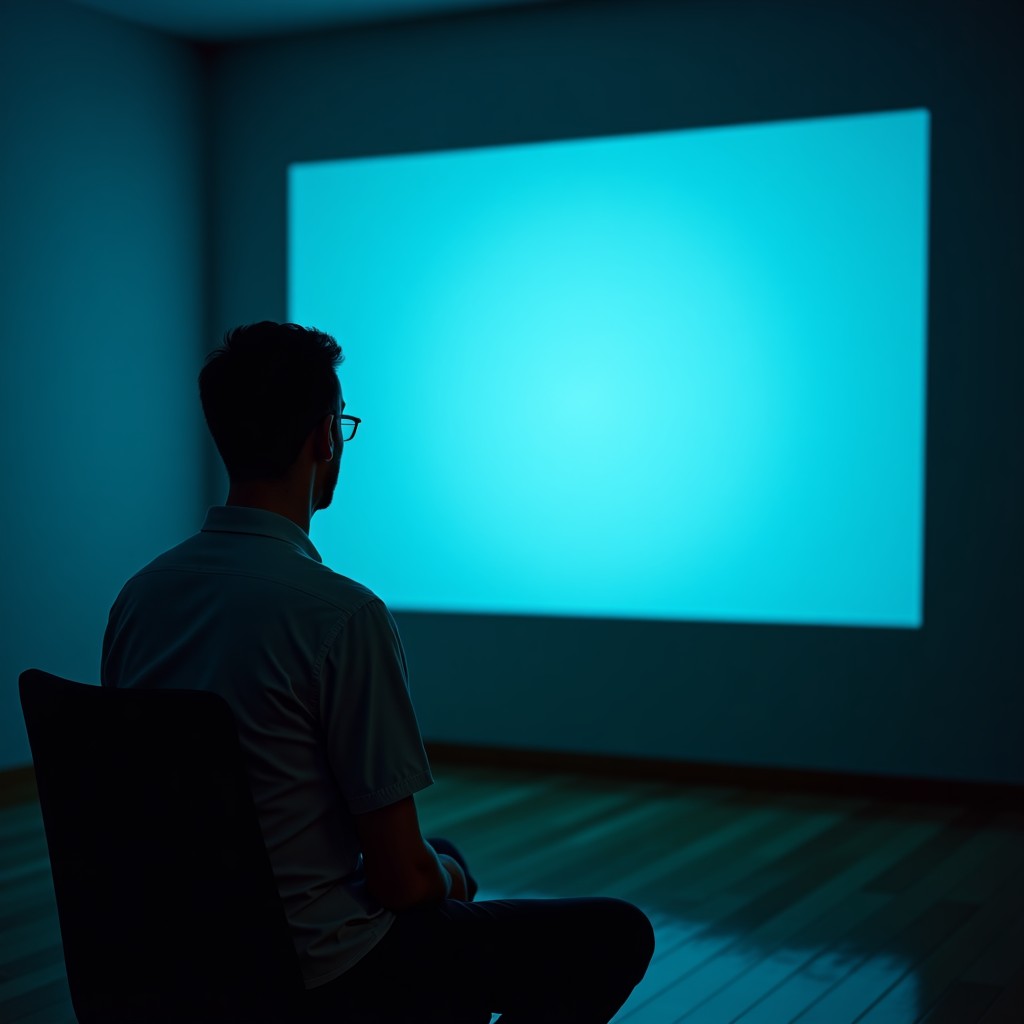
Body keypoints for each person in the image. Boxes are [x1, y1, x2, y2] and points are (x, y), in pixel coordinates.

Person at [101, 321, 655, 1022]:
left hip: (180, 956)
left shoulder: (141, 597)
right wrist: (445, 878)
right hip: (319, 976)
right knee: (614, 931)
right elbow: (400, 880)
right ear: (326, 437)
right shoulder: (341, 615)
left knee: (442, 855)